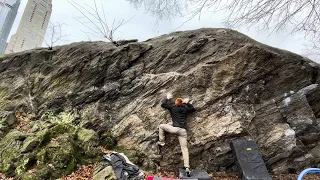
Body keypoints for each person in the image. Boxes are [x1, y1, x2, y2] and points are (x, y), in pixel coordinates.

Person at [158, 92, 196, 176]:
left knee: (161, 126)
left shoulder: (173, 107)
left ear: (175, 103)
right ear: (182, 103)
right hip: (183, 131)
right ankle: (187, 168)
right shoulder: (186, 108)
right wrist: (187, 103)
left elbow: (163, 105)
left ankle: (161, 142)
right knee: (184, 149)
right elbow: (193, 109)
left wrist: (167, 98)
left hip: (175, 129)